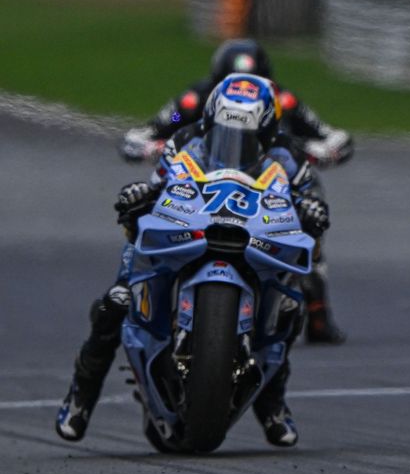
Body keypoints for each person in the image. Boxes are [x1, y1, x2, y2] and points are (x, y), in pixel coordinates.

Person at [56, 74, 332, 447]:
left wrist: (313, 209)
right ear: (210, 122)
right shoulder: (184, 140)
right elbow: (156, 187)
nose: (234, 145)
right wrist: (140, 194)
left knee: (288, 306)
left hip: (252, 238)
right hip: (187, 229)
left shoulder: (287, 156)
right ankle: (80, 398)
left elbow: (306, 198)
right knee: (117, 301)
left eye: (246, 138)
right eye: (225, 133)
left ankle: (273, 405)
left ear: (266, 132)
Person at [121, 38, 356, 340]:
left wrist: (315, 151)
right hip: (204, 176)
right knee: (148, 203)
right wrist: (154, 144)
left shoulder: (282, 102)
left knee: (312, 209)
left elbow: (331, 136)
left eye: (253, 84)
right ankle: (148, 290)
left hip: (273, 177)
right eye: (234, 85)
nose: (243, 94)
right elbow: (164, 124)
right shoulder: (196, 100)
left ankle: (316, 306)